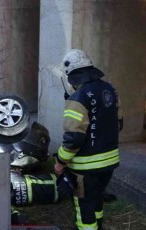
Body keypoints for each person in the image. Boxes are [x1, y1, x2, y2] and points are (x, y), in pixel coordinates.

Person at [54, 49, 123, 230]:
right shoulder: (111, 90)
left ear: (72, 76)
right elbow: (118, 123)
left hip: (85, 169)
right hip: (109, 163)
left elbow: (74, 138)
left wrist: (60, 162)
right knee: (97, 198)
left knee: (84, 206)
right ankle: (98, 225)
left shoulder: (78, 98)